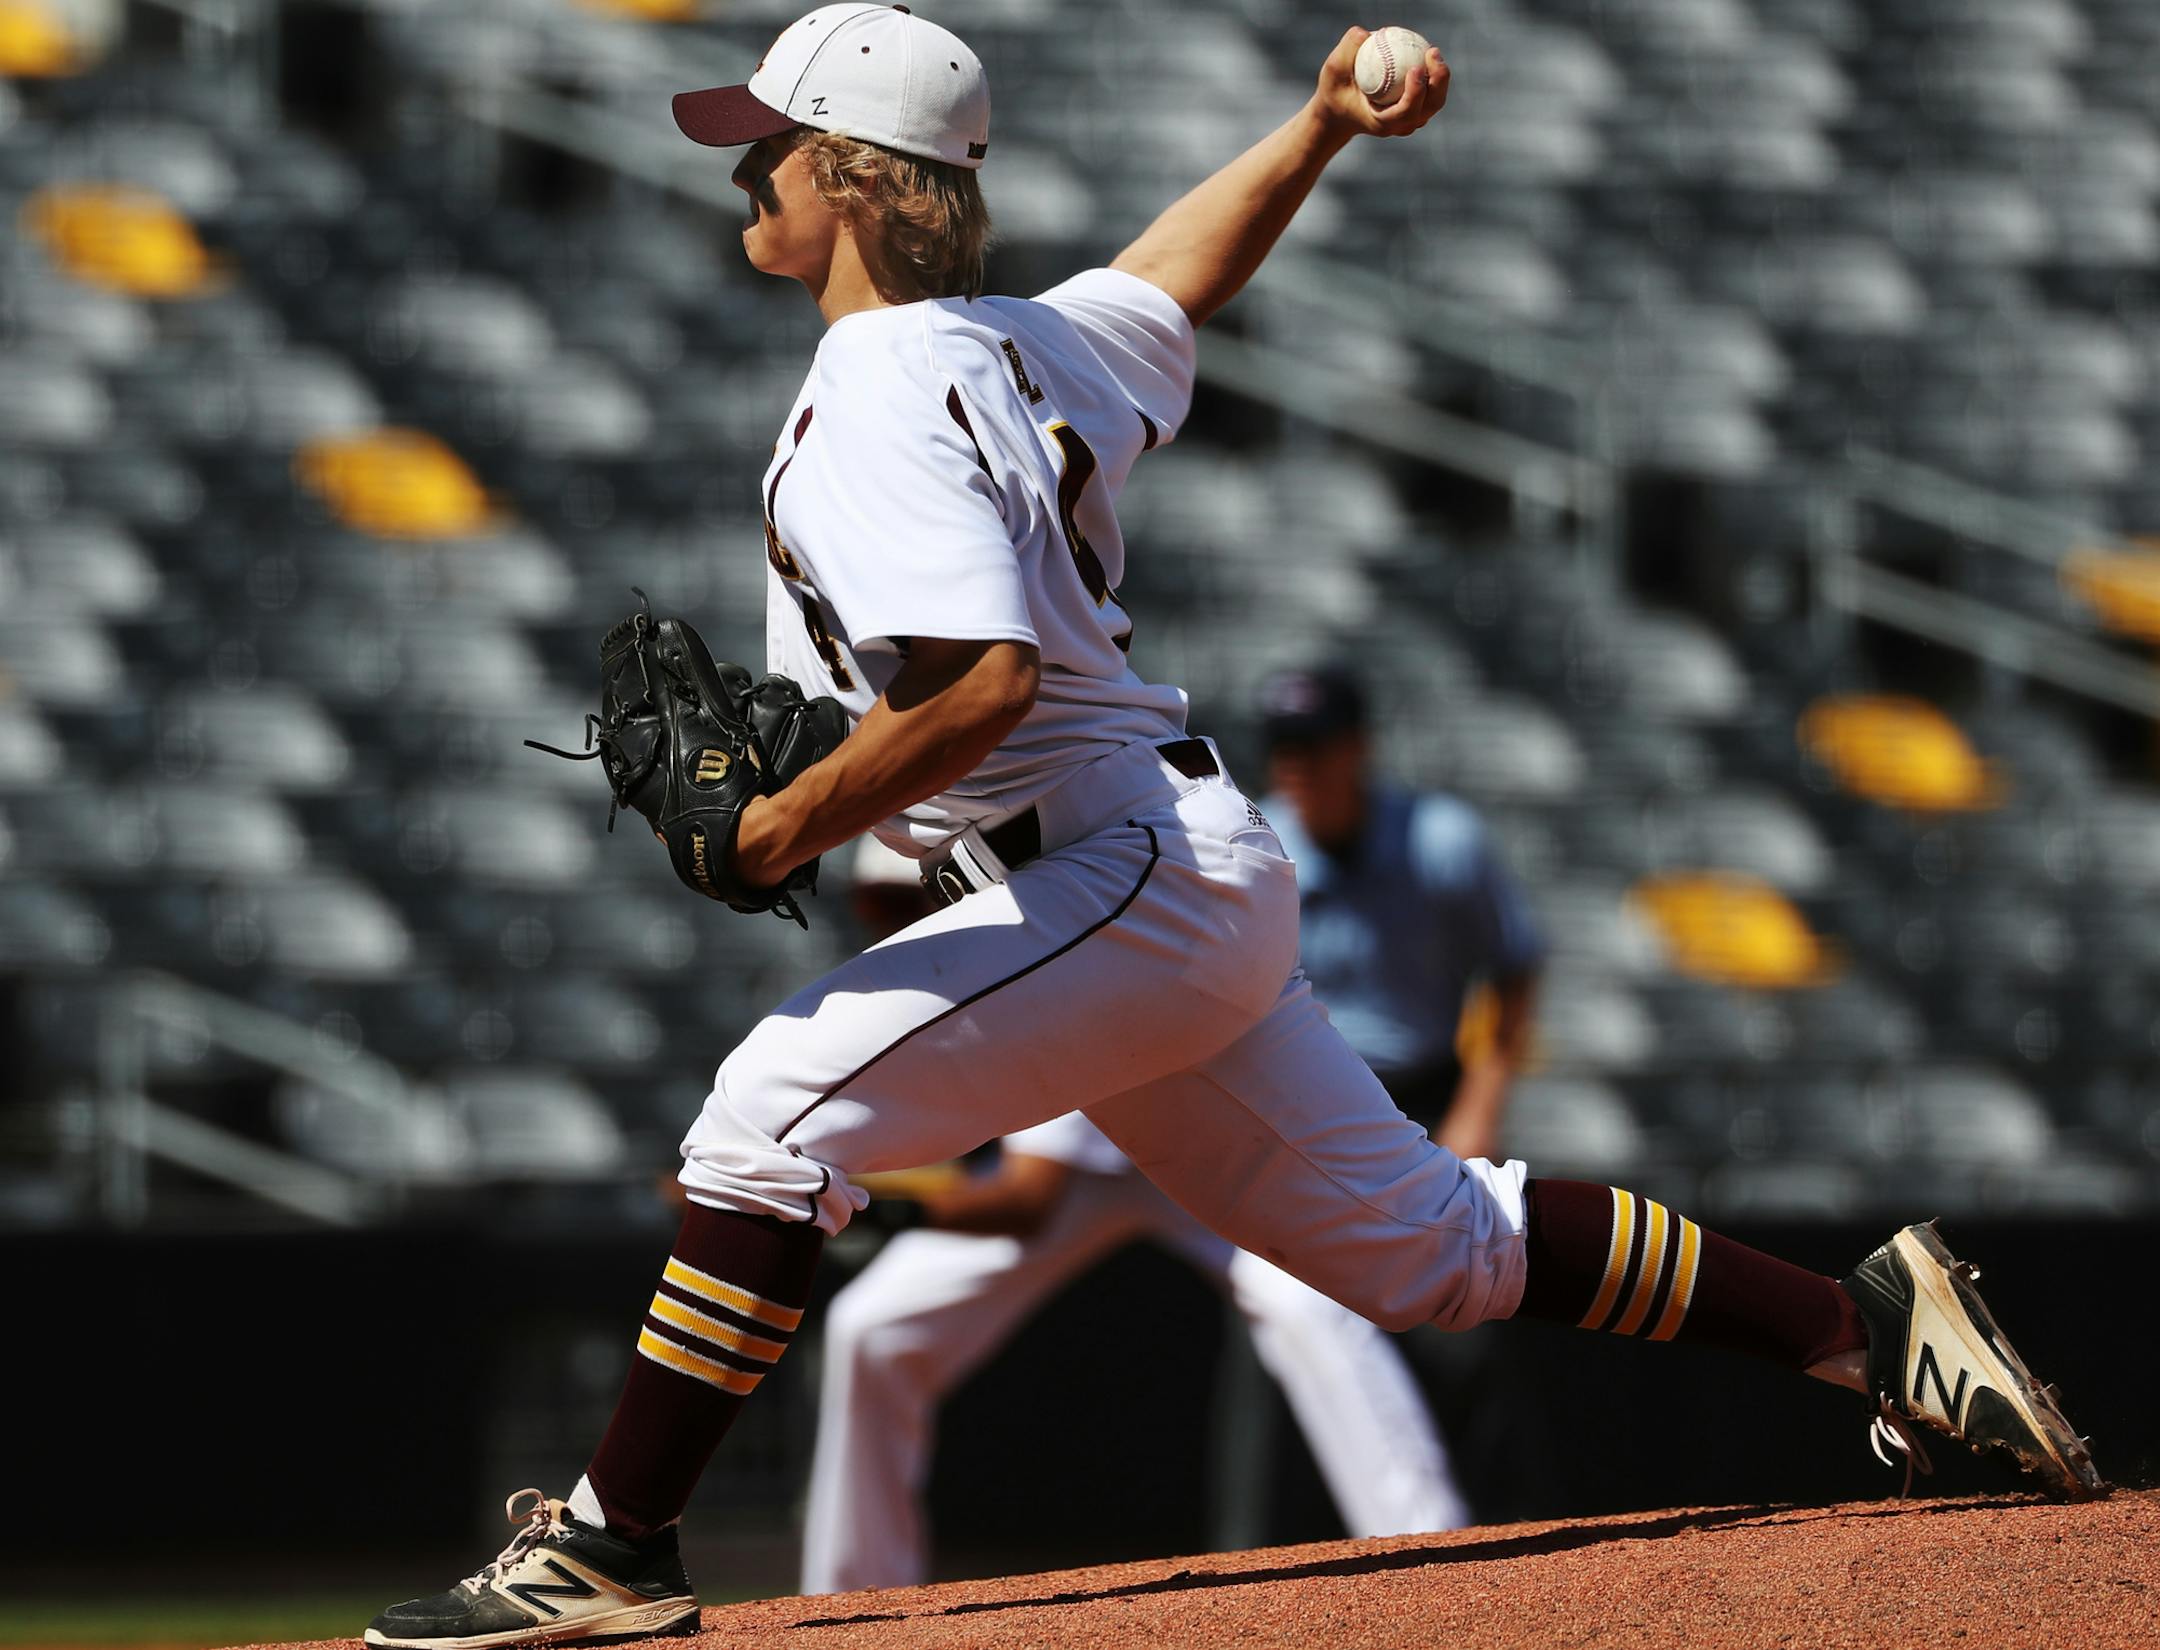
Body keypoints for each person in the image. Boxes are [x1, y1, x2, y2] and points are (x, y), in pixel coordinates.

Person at [364, 8, 2098, 1644]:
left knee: (763, 1118)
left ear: (865, 177)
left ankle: (609, 1543)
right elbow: (1172, 280)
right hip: (1166, 874)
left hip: (1113, 869)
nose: (749, 173)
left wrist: (774, 836)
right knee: (1436, 1249)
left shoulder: (880, 390)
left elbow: (985, 695)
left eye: (778, 145)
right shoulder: (1020, 344)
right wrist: (1321, 123)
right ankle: (1871, 1337)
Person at [797, 840, 1468, 1596]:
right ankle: (850, 1598)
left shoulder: (1033, 937)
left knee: (1313, 1306)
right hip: (1086, 1175)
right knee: (869, 1327)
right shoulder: (974, 964)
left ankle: (1431, 1556)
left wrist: (878, 1207)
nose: (894, 927)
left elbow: (1026, 1199)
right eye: (879, 908)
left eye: (906, 903)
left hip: (1200, 1154)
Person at [1256, 662, 1542, 1160]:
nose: (1297, 766)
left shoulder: (1440, 840)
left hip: (1423, 1099)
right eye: (1284, 748)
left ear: (1359, 747)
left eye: (1314, 746)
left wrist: (1478, 1112)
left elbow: (1514, 971)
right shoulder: (1255, 845)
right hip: (1298, 1104)